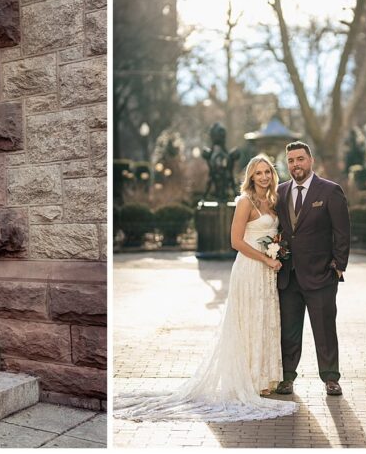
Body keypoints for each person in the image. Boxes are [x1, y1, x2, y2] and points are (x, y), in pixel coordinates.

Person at [114, 156, 297, 422]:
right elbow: (235, 241)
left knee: (264, 321)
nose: (264, 177)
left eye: (267, 171)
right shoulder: (245, 201)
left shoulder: (274, 201)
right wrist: (266, 258)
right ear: (251, 177)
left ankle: (262, 379)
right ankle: (247, 380)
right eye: (258, 173)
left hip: (268, 275)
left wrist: (277, 251)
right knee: (247, 321)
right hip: (249, 269)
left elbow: (276, 235)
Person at [274, 141, 350, 397]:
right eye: (291, 160)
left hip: (321, 276)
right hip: (288, 277)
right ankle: (287, 378)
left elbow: (342, 232)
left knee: (325, 329)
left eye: (300, 159)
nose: (296, 164)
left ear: (310, 160)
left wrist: (338, 266)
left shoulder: (330, 191)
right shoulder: (280, 192)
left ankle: (331, 378)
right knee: (289, 331)